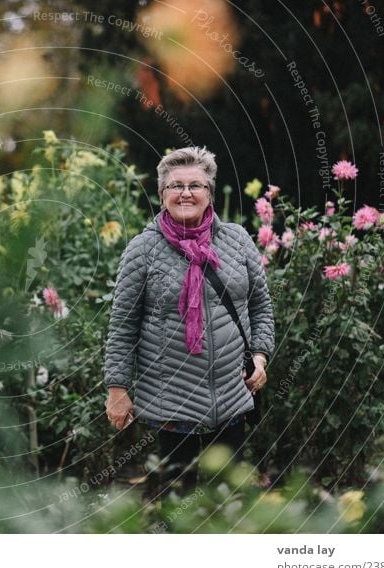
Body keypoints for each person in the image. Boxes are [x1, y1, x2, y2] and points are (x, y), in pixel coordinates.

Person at [103, 146, 275, 494]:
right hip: (172, 401)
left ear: (209, 193)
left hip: (230, 395)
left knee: (230, 496)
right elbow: (123, 324)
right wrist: (117, 390)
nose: (185, 193)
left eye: (195, 185)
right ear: (162, 193)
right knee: (178, 499)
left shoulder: (237, 240)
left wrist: (259, 355)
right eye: (175, 185)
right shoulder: (143, 249)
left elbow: (261, 305)